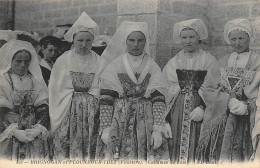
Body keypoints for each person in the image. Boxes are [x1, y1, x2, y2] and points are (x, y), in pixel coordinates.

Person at [96, 21, 169, 161]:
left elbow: (158, 98)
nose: (136, 44)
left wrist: (158, 128)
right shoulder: (116, 64)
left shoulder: (152, 66)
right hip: (120, 117)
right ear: (126, 41)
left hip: (145, 119)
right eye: (132, 40)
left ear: (145, 42)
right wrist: (105, 128)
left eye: (140, 40)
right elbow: (106, 98)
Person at [196, 18, 260, 163]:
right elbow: (208, 88)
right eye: (233, 39)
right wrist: (228, 101)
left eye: (241, 38)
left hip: (246, 120)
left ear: (250, 38)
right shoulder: (222, 62)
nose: (237, 43)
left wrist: (247, 106)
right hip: (222, 120)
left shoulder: (257, 62)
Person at [49, 12, 103, 160]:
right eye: (80, 40)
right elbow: (55, 88)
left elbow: (103, 86)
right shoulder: (63, 60)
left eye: (88, 40)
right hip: (67, 109)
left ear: (93, 41)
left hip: (93, 111)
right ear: (73, 40)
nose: (84, 44)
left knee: (90, 145)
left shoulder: (99, 61)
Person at [162, 18, 216, 164]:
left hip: (198, 110)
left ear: (198, 37)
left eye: (192, 37)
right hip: (177, 112)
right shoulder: (174, 61)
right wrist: (165, 119)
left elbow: (214, 87)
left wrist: (204, 108)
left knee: (197, 144)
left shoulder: (208, 59)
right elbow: (165, 88)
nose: (188, 41)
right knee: (175, 144)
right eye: (184, 37)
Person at [0, 40, 50, 161]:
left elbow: (43, 107)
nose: (23, 65)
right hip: (10, 130)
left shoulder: (35, 81)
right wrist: (12, 131)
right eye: (18, 61)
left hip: (32, 130)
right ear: (9, 60)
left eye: (26, 62)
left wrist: (38, 128)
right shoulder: (2, 80)